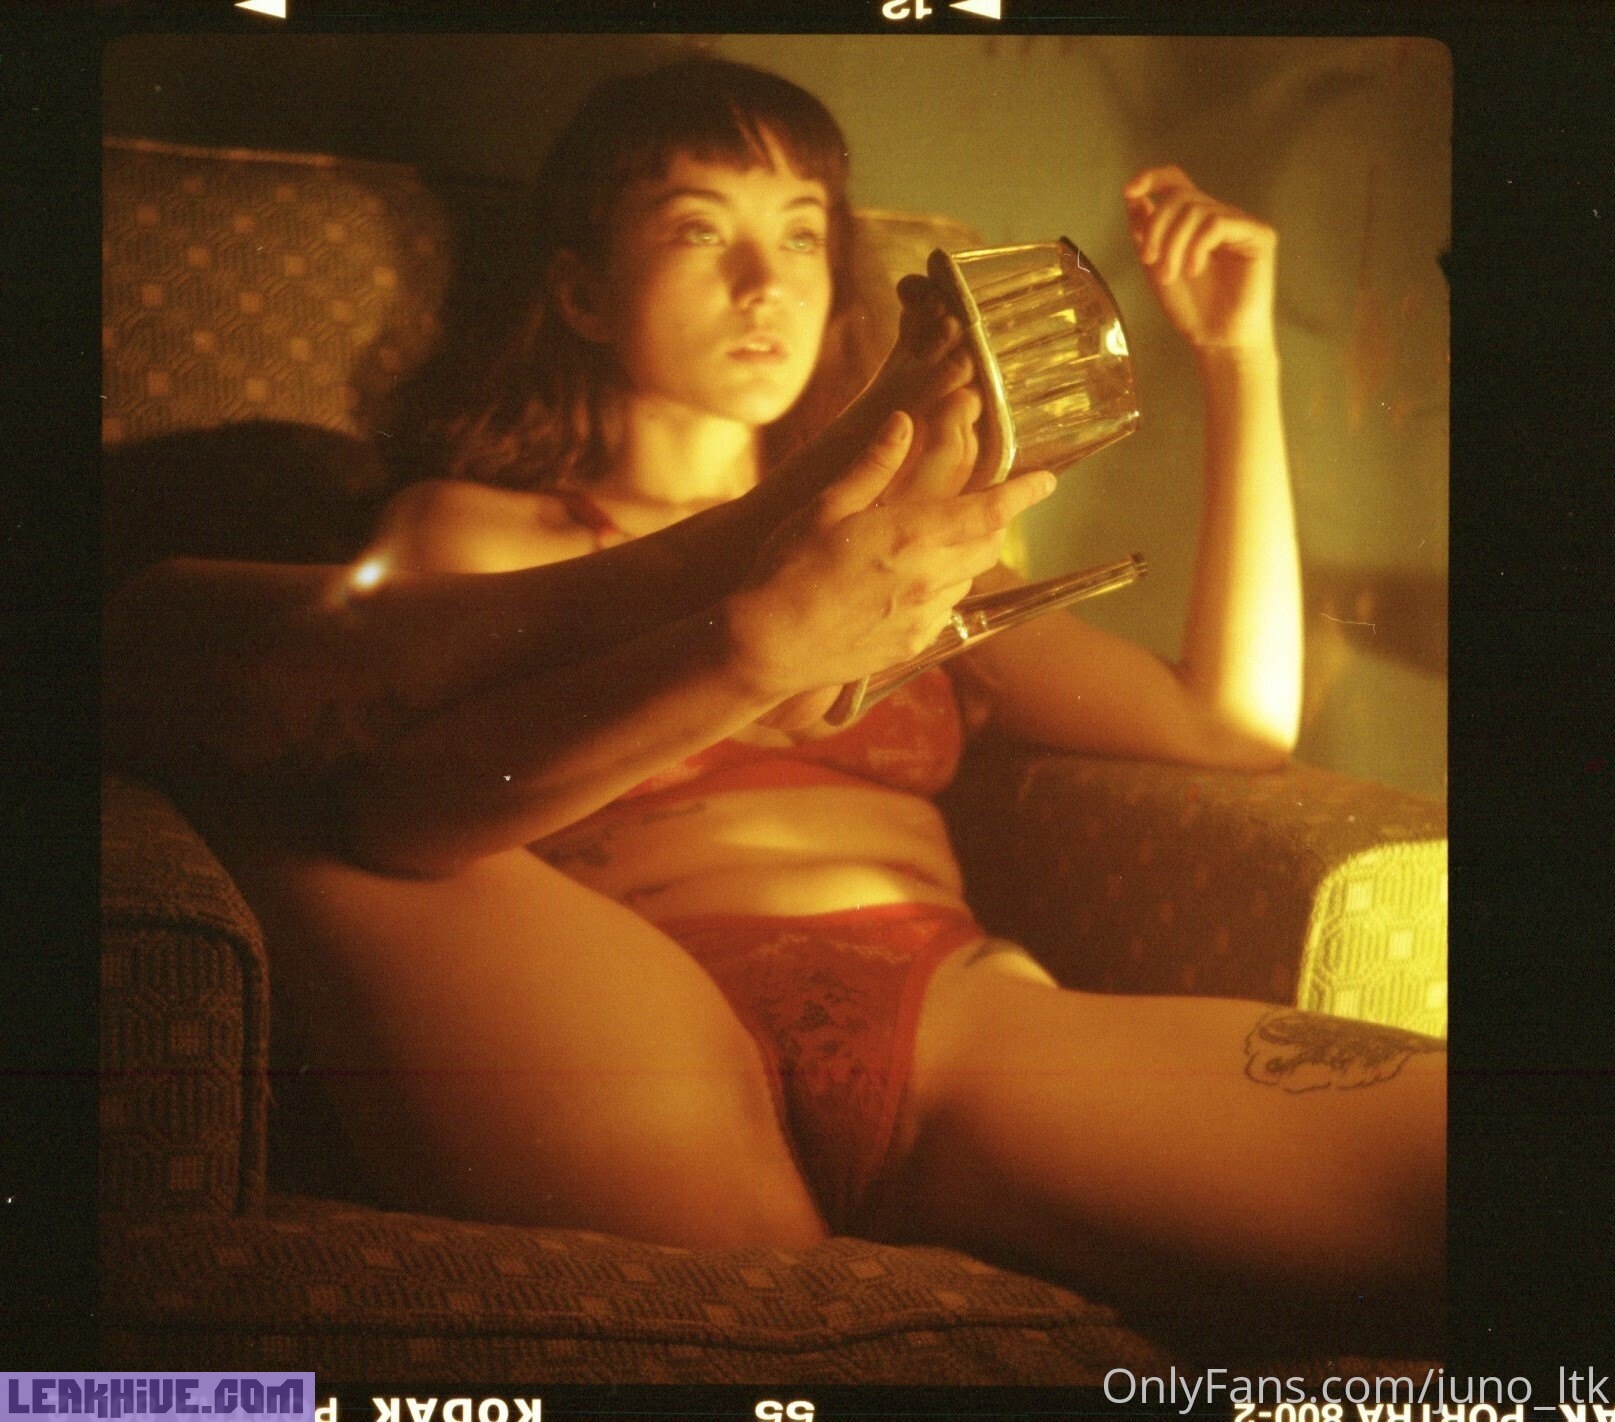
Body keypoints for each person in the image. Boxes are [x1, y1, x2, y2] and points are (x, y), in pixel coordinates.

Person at [105, 57, 1443, 1349]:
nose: (768, 283)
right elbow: (398, 819)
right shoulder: (478, 529)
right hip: (609, 1010)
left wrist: (1238, 356)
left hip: (943, 1021)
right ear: (582, 293)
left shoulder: (910, 540)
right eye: (701, 230)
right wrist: (743, 653)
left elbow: (1231, 728)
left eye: (803, 235)